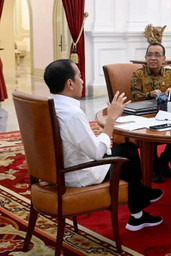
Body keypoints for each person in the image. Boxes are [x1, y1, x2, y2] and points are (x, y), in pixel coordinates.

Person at [44, 59, 163, 231]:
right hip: (77, 174)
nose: (83, 81)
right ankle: (138, 211)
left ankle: (141, 199)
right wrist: (112, 118)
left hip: (59, 169)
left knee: (126, 150)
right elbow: (97, 153)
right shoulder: (72, 114)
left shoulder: (50, 105)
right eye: (80, 76)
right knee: (128, 154)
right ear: (70, 83)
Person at [130, 42, 171, 182]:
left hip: (166, 115)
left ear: (164, 58)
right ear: (145, 57)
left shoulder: (170, 73)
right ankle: (155, 167)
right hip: (145, 116)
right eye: (150, 55)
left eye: (157, 55)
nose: (153, 58)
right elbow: (134, 96)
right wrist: (149, 94)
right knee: (151, 135)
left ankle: (160, 163)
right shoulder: (138, 74)